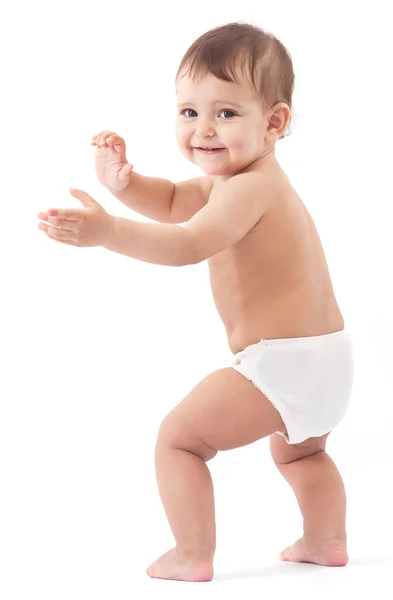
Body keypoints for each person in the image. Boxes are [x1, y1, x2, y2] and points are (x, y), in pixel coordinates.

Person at [37, 21, 354, 582]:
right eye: (189, 112)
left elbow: (187, 243)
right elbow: (178, 201)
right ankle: (325, 540)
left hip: (281, 364)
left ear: (274, 122)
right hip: (327, 361)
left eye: (226, 113)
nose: (203, 129)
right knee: (301, 453)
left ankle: (192, 553)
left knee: (180, 440)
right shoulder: (238, 180)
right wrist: (124, 184)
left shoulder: (251, 190)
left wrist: (107, 232)